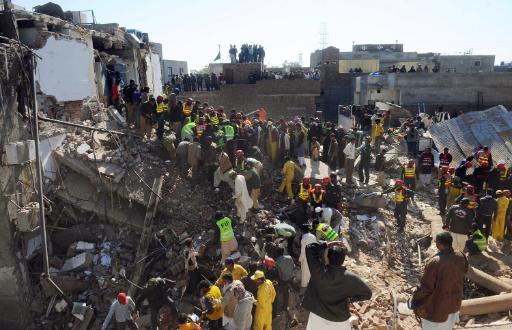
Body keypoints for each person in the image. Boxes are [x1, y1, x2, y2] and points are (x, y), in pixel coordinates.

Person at [303, 241, 372, 329]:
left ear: (327, 258)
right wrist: (351, 299)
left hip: (317, 317)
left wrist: (329, 244)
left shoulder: (318, 272)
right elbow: (368, 293)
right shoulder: (351, 278)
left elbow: (310, 248)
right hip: (339, 321)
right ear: (343, 260)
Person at [411, 232, 468, 330]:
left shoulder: (435, 262)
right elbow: (464, 273)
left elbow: (426, 287)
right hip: (453, 304)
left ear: (439, 244)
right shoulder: (461, 256)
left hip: (437, 307)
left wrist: (416, 299)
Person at [275, 247, 296, 311]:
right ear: (283, 251)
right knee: (294, 285)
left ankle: (285, 306)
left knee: (285, 293)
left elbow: (279, 273)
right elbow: (294, 266)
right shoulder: (289, 257)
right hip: (292, 276)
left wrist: (281, 279)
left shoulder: (277, 261)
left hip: (284, 279)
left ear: (277, 253)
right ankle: (300, 294)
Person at [299, 223, 317, 292]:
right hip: (313, 256)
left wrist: (300, 260)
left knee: (305, 273)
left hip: (306, 258)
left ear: (301, 231)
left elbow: (303, 251)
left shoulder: (304, 239)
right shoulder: (313, 236)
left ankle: (304, 289)